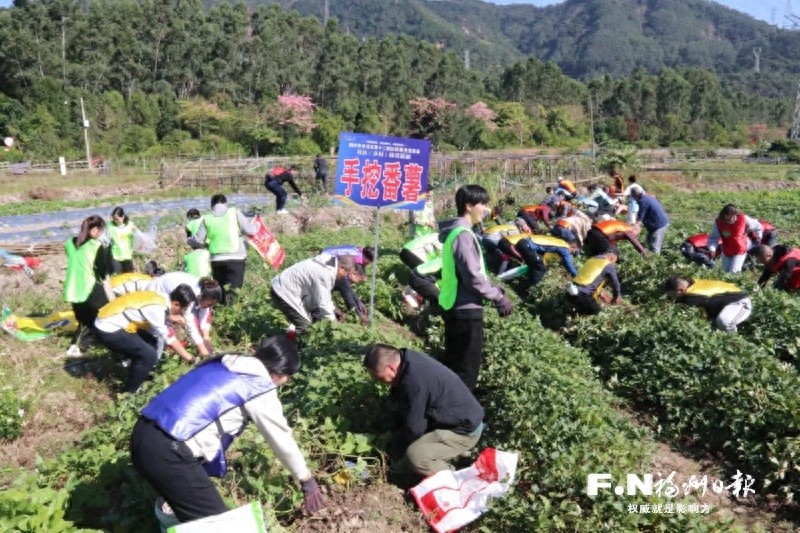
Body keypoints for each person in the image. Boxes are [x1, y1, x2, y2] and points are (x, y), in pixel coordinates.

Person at [130, 335, 326, 524]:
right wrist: (305, 478)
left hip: (142, 433)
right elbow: (281, 438)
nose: (286, 383)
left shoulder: (225, 363)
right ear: (280, 372)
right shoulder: (258, 384)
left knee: (191, 514)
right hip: (167, 450)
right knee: (217, 524)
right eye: (288, 377)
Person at [364, 344, 483, 481]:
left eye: (379, 378)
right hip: (447, 417)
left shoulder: (414, 382)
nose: (378, 382)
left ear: (391, 368)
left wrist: (392, 452)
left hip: (464, 430)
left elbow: (414, 428)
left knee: (414, 457)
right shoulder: (406, 360)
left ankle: (458, 479)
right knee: (398, 456)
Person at [438, 184, 513, 391]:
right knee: (466, 372)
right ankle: (459, 420)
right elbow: (472, 277)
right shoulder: (462, 235)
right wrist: (497, 296)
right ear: (469, 206)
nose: (486, 209)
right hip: (465, 310)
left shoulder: (456, 233)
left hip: (456, 306)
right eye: (483, 204)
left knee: (456, 367)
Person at [94, 285, 197, 392]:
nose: (183, 313)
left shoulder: (161, 297)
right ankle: (128, 394)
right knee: (149, 356)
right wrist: (191, 359)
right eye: (183, 309)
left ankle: (138, 371)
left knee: (152, 341)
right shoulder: (157, 308)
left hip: (109, 320)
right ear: (176, 304)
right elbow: (170, 339)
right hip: (108, 329)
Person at [115, 272, 223, 358]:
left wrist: (206, 337)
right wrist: (204, 352)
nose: (210, 307)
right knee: (160, 333)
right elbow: (190, 325)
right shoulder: (191, 295)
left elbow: (204, 313)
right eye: (210, 304)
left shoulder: (205, 291)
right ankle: (153, 360)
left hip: (169, 295)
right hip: (155, 293)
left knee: (178, 324)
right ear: (202, 296)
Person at [187, 194, 256, 305]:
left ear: (212, 205)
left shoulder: (207, 218)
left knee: (220, 291)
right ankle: (231, 315)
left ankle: (220, 313)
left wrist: (189, 240)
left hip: (217, 260)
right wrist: (255, 225)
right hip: (236, 257)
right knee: (234, 292)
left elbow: (198, 240)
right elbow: (250, 230)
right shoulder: (234, 212)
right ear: (225, 203)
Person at [64, 215, 112, 357]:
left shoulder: (69, 243)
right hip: (89, 289)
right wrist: (111, 296)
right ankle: (81, 349)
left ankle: (74, 346)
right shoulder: (97, 246)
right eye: (102, 231)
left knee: (83, 321)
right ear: (95, 231)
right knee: (98, 319)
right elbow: (103, 273)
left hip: (73, 291)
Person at [270, 253, 356, 332]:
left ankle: (289, 337)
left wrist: (333, 309)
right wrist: (335, 325)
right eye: (347, 274)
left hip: (283, 287)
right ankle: (287, 346)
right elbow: (323, 303)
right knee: (305, 327)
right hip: (283, 292)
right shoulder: (325, 273)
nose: (346, 277)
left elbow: (324, 296)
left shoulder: (329, 263)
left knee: (303, 320)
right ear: (342, 267)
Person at [665, 276, 752, 332]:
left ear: (682, 290)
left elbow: (693, 319)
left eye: (672, 295)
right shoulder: (690, 281)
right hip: (727, 299)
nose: (672, 297)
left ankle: (733, 342)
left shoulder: (692, 298)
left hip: (740, 302)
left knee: (723, 322)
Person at [498, 233, 578, 289]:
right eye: (574, 252)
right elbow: (569, 265)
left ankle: (503, 278)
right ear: (573, 247)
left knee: (532, 267)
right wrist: (577, 276)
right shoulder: (564, 248)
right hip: (527, 246)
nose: (572, 254)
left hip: (523, 243)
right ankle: (523, 288)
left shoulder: (560, 242)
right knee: (541, 269)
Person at [323, 245, 374, 324]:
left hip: (329, 258)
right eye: (358, 279)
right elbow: (348, 297)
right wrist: (359, 315)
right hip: (325, 261)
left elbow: (348, 289)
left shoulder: (355, 259)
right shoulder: (350, 267)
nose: (355, 283)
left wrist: (358, 301)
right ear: (353, 273)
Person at [708, 204, 763, 274]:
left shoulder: (743, 219)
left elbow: (758, 226)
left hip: (740, 249)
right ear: (724, 215)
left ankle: (738, 280)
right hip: (727, 250)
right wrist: (712, 249)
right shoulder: (719, 222)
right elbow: (713, 238)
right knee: (725, 272)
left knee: (734, 272)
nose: (733, 219)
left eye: (734, 217)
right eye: (730, 217)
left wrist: (759, 236)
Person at [567, 249, 621, 315]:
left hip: (570, 290)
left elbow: (591, 278)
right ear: (613, 257)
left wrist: (600, 294)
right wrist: (615, 298)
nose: (614, 264)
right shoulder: (609, 265)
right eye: (615, 261)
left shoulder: (592, 259)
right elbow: (616, 284)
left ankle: (574, 311)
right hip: (582, 295)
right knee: (596, 310)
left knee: (580, 309)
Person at [631, 189, 669, 254]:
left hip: (659, 225)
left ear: (634, 195)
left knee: (655, 246)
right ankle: (648, 255)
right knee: (648, 241)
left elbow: (640, 218)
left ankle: (655, 261)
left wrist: (633, 229)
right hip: (654, 224)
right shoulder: (646, 197)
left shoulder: (643, 201)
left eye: (632, 196)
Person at [583, 219, 647, 257]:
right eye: (636, 234)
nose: (635, 236)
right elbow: (635, 242)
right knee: (610, 255)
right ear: (634, 229)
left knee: (595, 255)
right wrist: (645, 254)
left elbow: (611, 239)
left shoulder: (621, 224)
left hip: (591, 233)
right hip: (600, 236)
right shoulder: (628, 230)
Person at [107, 207, 138, 274]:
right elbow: (106, 238)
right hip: (116, 256)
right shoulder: (110, 226)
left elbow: (137, 236)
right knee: (118, 276)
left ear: (122, 217)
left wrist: (136, 231)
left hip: (127, 255)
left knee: (129, 276)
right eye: (114, 219)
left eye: (117, 219)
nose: (115, 221)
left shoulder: (130, 225)